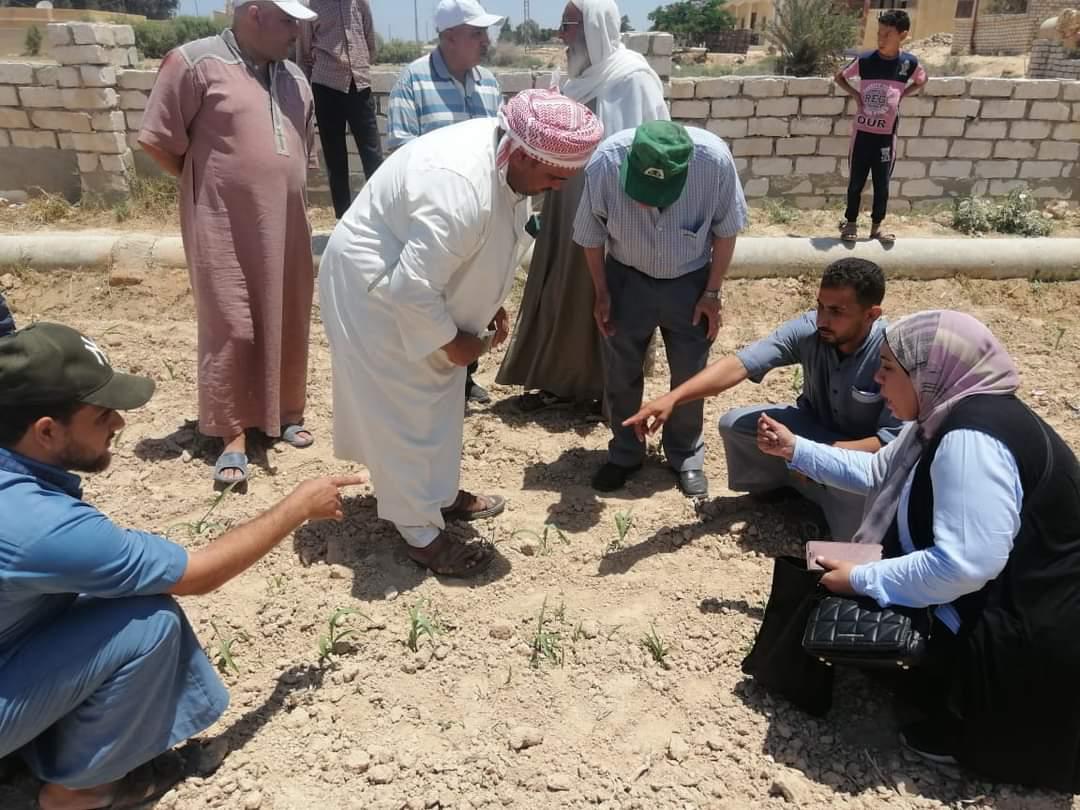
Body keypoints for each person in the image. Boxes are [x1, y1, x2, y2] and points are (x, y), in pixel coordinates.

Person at [0, 322, 364, 810]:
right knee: (147, 623)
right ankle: (78, 793)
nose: (119, 423)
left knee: (83, 593)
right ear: (46, 430)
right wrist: (297, 507)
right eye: (103, 414)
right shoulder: (40, 527)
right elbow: (199, 574)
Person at [755, 310, 1080, 791]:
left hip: (1026, 633)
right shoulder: (946, 413)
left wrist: (862, 578)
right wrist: (795, 450)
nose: (876, 378)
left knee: (854, 600)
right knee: (828, 582)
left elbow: (965, 564)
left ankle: (954, 723)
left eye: (889, 368)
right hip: (1006, 598)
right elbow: (877, 472)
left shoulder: (971, 441)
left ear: (928, 373)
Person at [319, 90, 603, 578]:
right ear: (522, 155)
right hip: (375, 290)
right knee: (404, 408)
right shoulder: (460, 189)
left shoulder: (507, 159)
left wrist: (489, 302)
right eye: (555, 177)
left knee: (441, 399)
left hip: (417, 283)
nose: (557, 188)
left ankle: (439, 495)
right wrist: (457, 344)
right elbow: (412, 288)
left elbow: (487, 238)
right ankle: (420, 533)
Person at [139, 0, 319, 487]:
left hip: (288, 222)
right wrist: (211, 183)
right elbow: (157, 140)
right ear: (253, 13)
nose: (297, 33)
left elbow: (302, 151)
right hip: (222, 221)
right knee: (232, 323)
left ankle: (284, 413)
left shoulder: (295, 79)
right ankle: (231, 433)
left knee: (287, 314)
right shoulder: (194, 63)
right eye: (288, 21)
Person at [626, 259, 901, 536]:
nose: (822, 319)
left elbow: (891, 445)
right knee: (737, 426)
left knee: (861, 525)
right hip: (815, 431)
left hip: (861, 458)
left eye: (836, 311)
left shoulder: (894, 355)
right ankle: (788, 491)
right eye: (820, 306)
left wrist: (814, 456)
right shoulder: (811, 330)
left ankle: (827, 498)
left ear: (871, 314)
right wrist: (673, 398)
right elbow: (740, 364)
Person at [496, 0, 669, 413]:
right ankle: (561, 382)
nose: (562, 34)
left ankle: (608, 390)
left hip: (614, 210)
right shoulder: (576, 82)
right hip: (566, 204)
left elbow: (647, 148)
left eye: (568, 25)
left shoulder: (633, 78)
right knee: (564, 290)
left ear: (594, 26)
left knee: (605, 295)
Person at [576, 121, 746, 497]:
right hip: (626, 278)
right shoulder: (606, 162)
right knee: (621, 370)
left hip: (690, 281)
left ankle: (685, 455)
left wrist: (712, 293)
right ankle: (625, 453)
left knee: (690, 371)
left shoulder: (714, 162)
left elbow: (726, 230)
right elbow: (591, 234)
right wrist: (602, 291)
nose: (645, 203)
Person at [387, 0, 506, 405]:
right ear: (449, 37)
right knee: (431, 293)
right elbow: (401, 149)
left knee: (472, 293)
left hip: (480, 212)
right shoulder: (414, 81)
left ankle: (464, 378)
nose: (485, 41)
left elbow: (499, 145)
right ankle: (426, 378)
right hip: (433, 215)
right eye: (476, 33)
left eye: (485, 33)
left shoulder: (488, 84)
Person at [835, 9, 927, 246]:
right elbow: (840, 76)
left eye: (887, 34)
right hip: (862, 136)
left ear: (902, 35)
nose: (881, 38)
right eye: (879, 33)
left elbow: (922, 80)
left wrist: (903, 93)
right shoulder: (866, 60)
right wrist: (856, 95)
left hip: (886, 138)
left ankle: (876, 227)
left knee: (882, 185)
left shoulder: (908, 63)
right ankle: (851, 222)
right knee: (856, 182)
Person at [298, 0, 383, 218]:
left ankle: (381, 214)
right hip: (325, 85)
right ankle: (343, 218)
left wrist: (361, 63)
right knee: (335, 156)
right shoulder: (309, 4)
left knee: (372, 153)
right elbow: (304, 50)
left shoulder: (359, 2)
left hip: (359, 84)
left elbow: (370, 40)